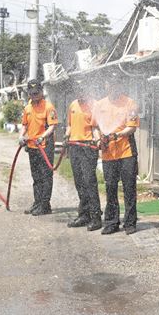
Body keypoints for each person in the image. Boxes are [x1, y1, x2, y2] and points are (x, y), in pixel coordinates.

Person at [92, 81, 139, 235]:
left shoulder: (130, 103)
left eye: (116, 85)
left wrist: (116, 134)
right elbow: (94, 127)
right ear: (106, 86)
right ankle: (112, 222)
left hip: (126, 152)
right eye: (110, 85)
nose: (113, 88)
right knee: (110, 188)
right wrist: (99, 140)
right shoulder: (99, 105)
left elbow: (131, 127)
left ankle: (130, 223)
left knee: (129, 188)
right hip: (108, 153)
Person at [19, 79, 58, 216]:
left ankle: (45, 205)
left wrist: (43, 136)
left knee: (46, 176)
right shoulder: (27, 108)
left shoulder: (48, 107)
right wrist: (21, 136)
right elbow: (24, 125)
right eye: (32, 93)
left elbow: (52, 126)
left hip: (45, 146)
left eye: (37, 93)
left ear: (41, 92)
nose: (34, 95)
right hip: (32, 146)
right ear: (29, 93)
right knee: (36, 176)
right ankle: (37, 202)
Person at [64, 91, 102, 231]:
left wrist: (97, 140)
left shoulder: (95, 105)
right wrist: (67, 135)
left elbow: (96, 127)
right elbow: (69, 124)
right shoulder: (73, 104)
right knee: (79, 181)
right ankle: (84, 215)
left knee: (89, 181)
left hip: (88, 147)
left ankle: (96, 217)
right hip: (74, 147)